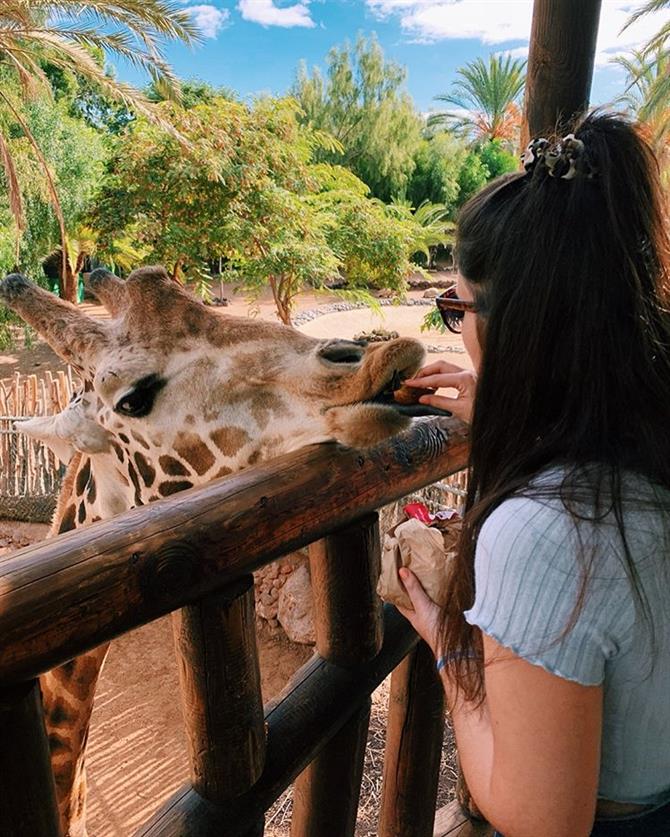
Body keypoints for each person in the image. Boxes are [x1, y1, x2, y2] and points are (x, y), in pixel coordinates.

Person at [399, 112, 670, 837]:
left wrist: (446, 641)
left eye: (458, 306)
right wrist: (511, 407)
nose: (460, 328)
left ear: (514, 322)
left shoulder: (546, 533)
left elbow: (540, 817)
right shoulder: (647, 450)